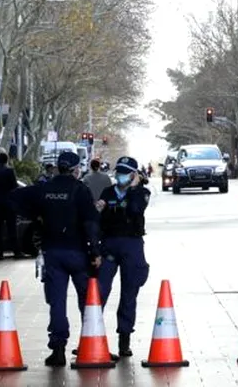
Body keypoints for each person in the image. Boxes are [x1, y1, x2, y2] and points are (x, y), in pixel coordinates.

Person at [11, 150, 101, 367]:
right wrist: (96, 251)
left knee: (57, 302)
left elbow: (14, 198)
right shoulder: (80, 190)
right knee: (86, 301)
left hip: (52, 253)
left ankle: (58, 349)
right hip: (78, 253)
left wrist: (36, 217)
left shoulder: (44, 189)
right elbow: (91, 223)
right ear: (76, 169)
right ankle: (89, 344)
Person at [96, 157, 151, 358]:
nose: (120, 175)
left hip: (131, 245)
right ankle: (92, 336)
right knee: (99, 291)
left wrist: (135, 188)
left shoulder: (142, 193)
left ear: (134, 174)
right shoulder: (108, 192)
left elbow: (136, 209)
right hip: (109, 245)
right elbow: (98, 218)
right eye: (119, 171)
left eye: (126, 172)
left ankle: (124, 339)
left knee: (129, 293)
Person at [0, 151, 20, 260]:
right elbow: (15, 187)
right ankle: (16, 251)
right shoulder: (10, 171)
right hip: (9, 204)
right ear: (7, 160)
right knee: (12, 228)